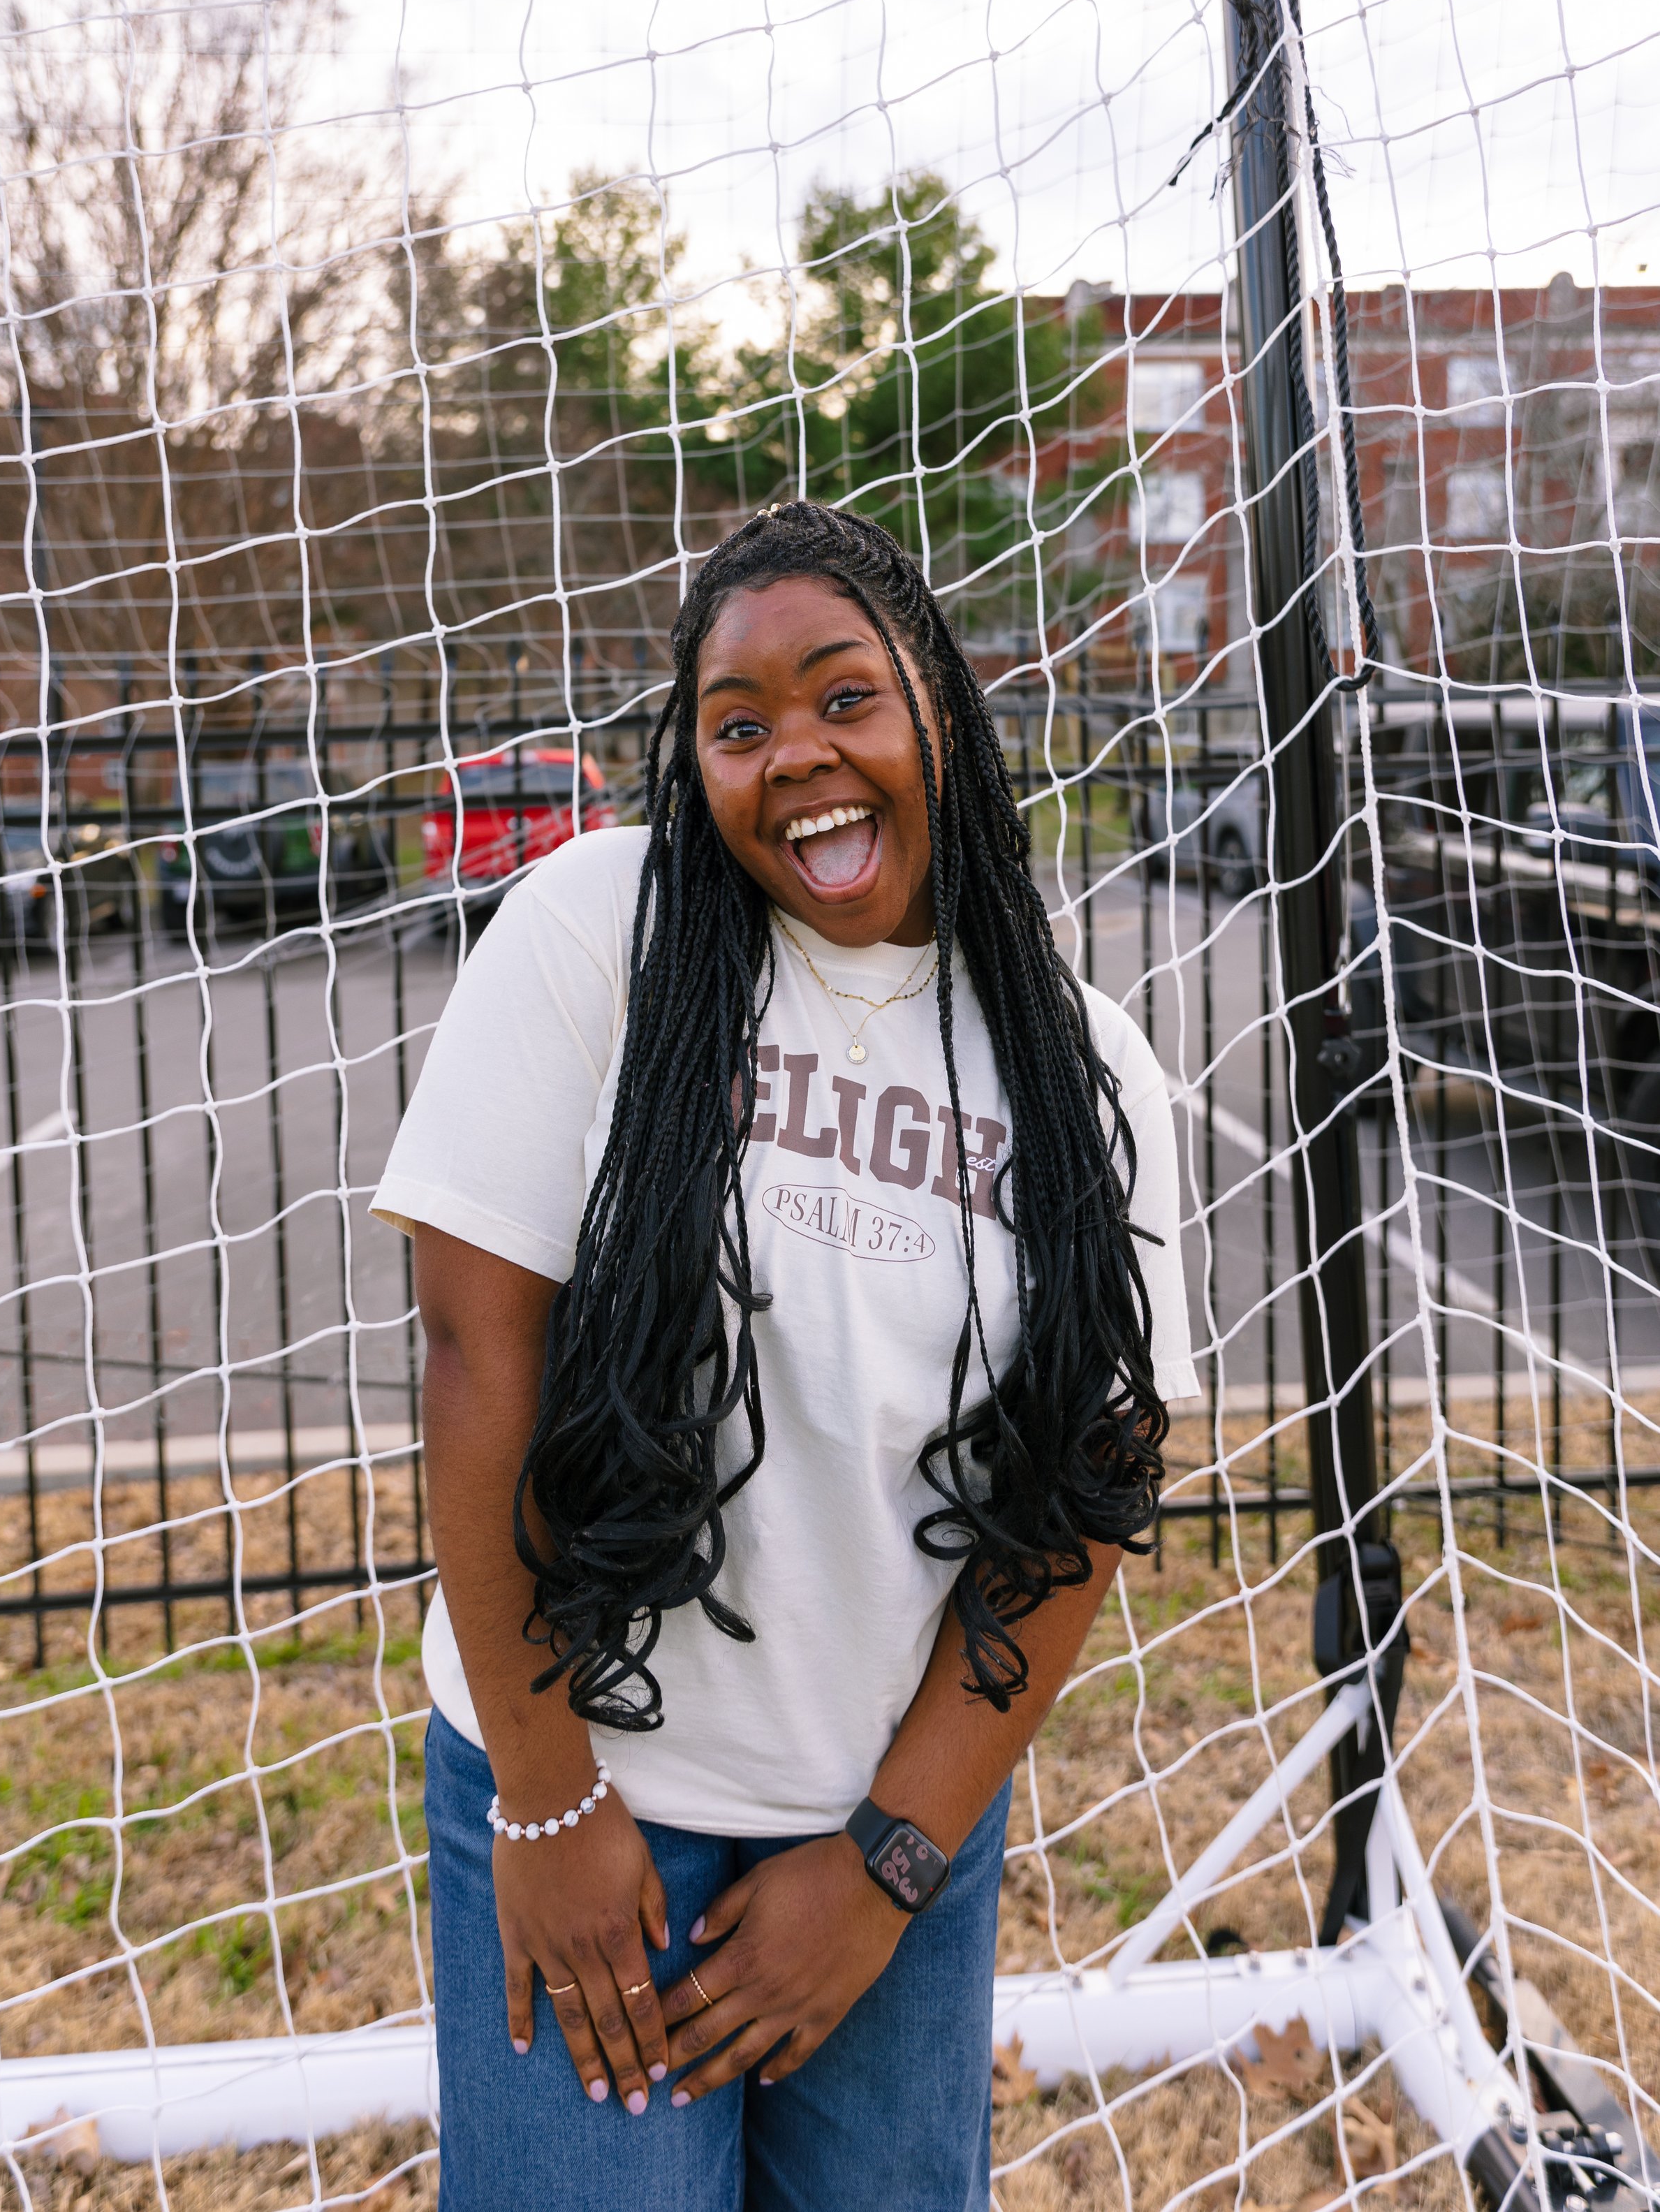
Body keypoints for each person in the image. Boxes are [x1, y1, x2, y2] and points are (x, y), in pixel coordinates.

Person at [371, 499, 1196, 2212]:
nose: (795, 756)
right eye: (737, 726)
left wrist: (889, 1864)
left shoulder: (1085, 1069)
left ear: (939, 719)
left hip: (879, 1818)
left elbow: (1089, 1484)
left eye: (843, 698)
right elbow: (472, 1352)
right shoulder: (602, 928)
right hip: (590, 1793)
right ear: (696, 769)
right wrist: (546, 1805)